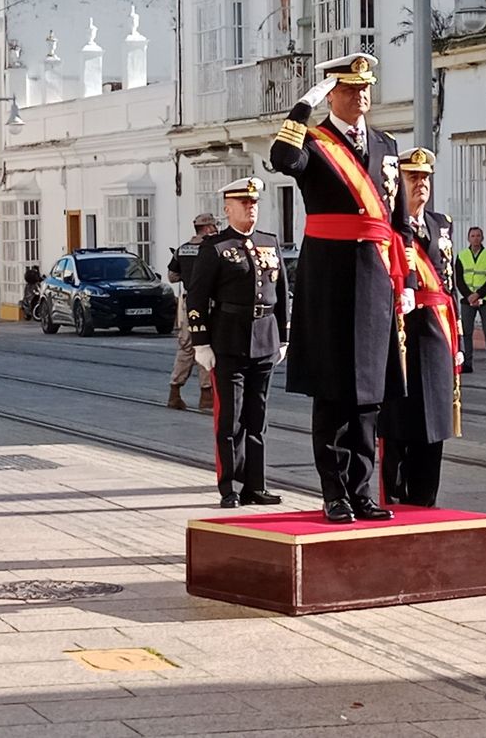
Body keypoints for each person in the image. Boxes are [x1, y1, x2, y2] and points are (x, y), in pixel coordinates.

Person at [270, 51, 415, 524]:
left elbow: (400, 220)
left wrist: (407, 276)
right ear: (331, 94)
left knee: (369, 394)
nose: (362, 97)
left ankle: (363, 491)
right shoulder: (313, 140)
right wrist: (300, 110)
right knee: (332, 391)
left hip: (375, 276)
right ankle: (334, 492)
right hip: (329, 275)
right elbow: (282, 159)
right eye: (351, 90)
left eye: (366, 89)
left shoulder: (387, 144)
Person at [186, 178, 288, 507]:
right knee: (231, 419)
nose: (251, 208)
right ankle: (230, 486)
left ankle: (255, 485)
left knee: (257, 417)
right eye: (244, 203)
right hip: (228, 341)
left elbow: (283, 294)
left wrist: (283, 336)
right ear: (228, 209)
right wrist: (201, 343)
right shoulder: (215, 247)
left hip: (265, 338)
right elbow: (197, 297)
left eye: (254, 203)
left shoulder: (269, 243)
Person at [380, 148, 463, 507]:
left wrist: (457, 334)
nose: (421, 185)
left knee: (435, 417)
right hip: (400, 328)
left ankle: (426, 496)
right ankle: (396, 494)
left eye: (426, 178)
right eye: (413, 178)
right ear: (398, 182)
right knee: (399, 418)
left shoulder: (440, 223)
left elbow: (449, 282)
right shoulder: (387, 225)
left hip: (436, 330)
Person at [166, 212, 219, 411]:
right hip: (209, 302)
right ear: (207, 229)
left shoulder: (181, 250)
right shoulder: (211, 248)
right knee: (207, 344)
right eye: (214, 226)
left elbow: (172, 276)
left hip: (189, 303)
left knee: (187, 346)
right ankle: (206, 395)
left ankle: (175, 390)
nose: (216, 230)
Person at [456, 227, 486, 374]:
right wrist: (469, 295)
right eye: (473, 236)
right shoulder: (461, 256)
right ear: (468, 238)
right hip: (467, 300)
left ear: (482, 238)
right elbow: (459, 280)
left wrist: (478, 294)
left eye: (478, 236)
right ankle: (467, 364)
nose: (475, 238)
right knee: (467, 333)